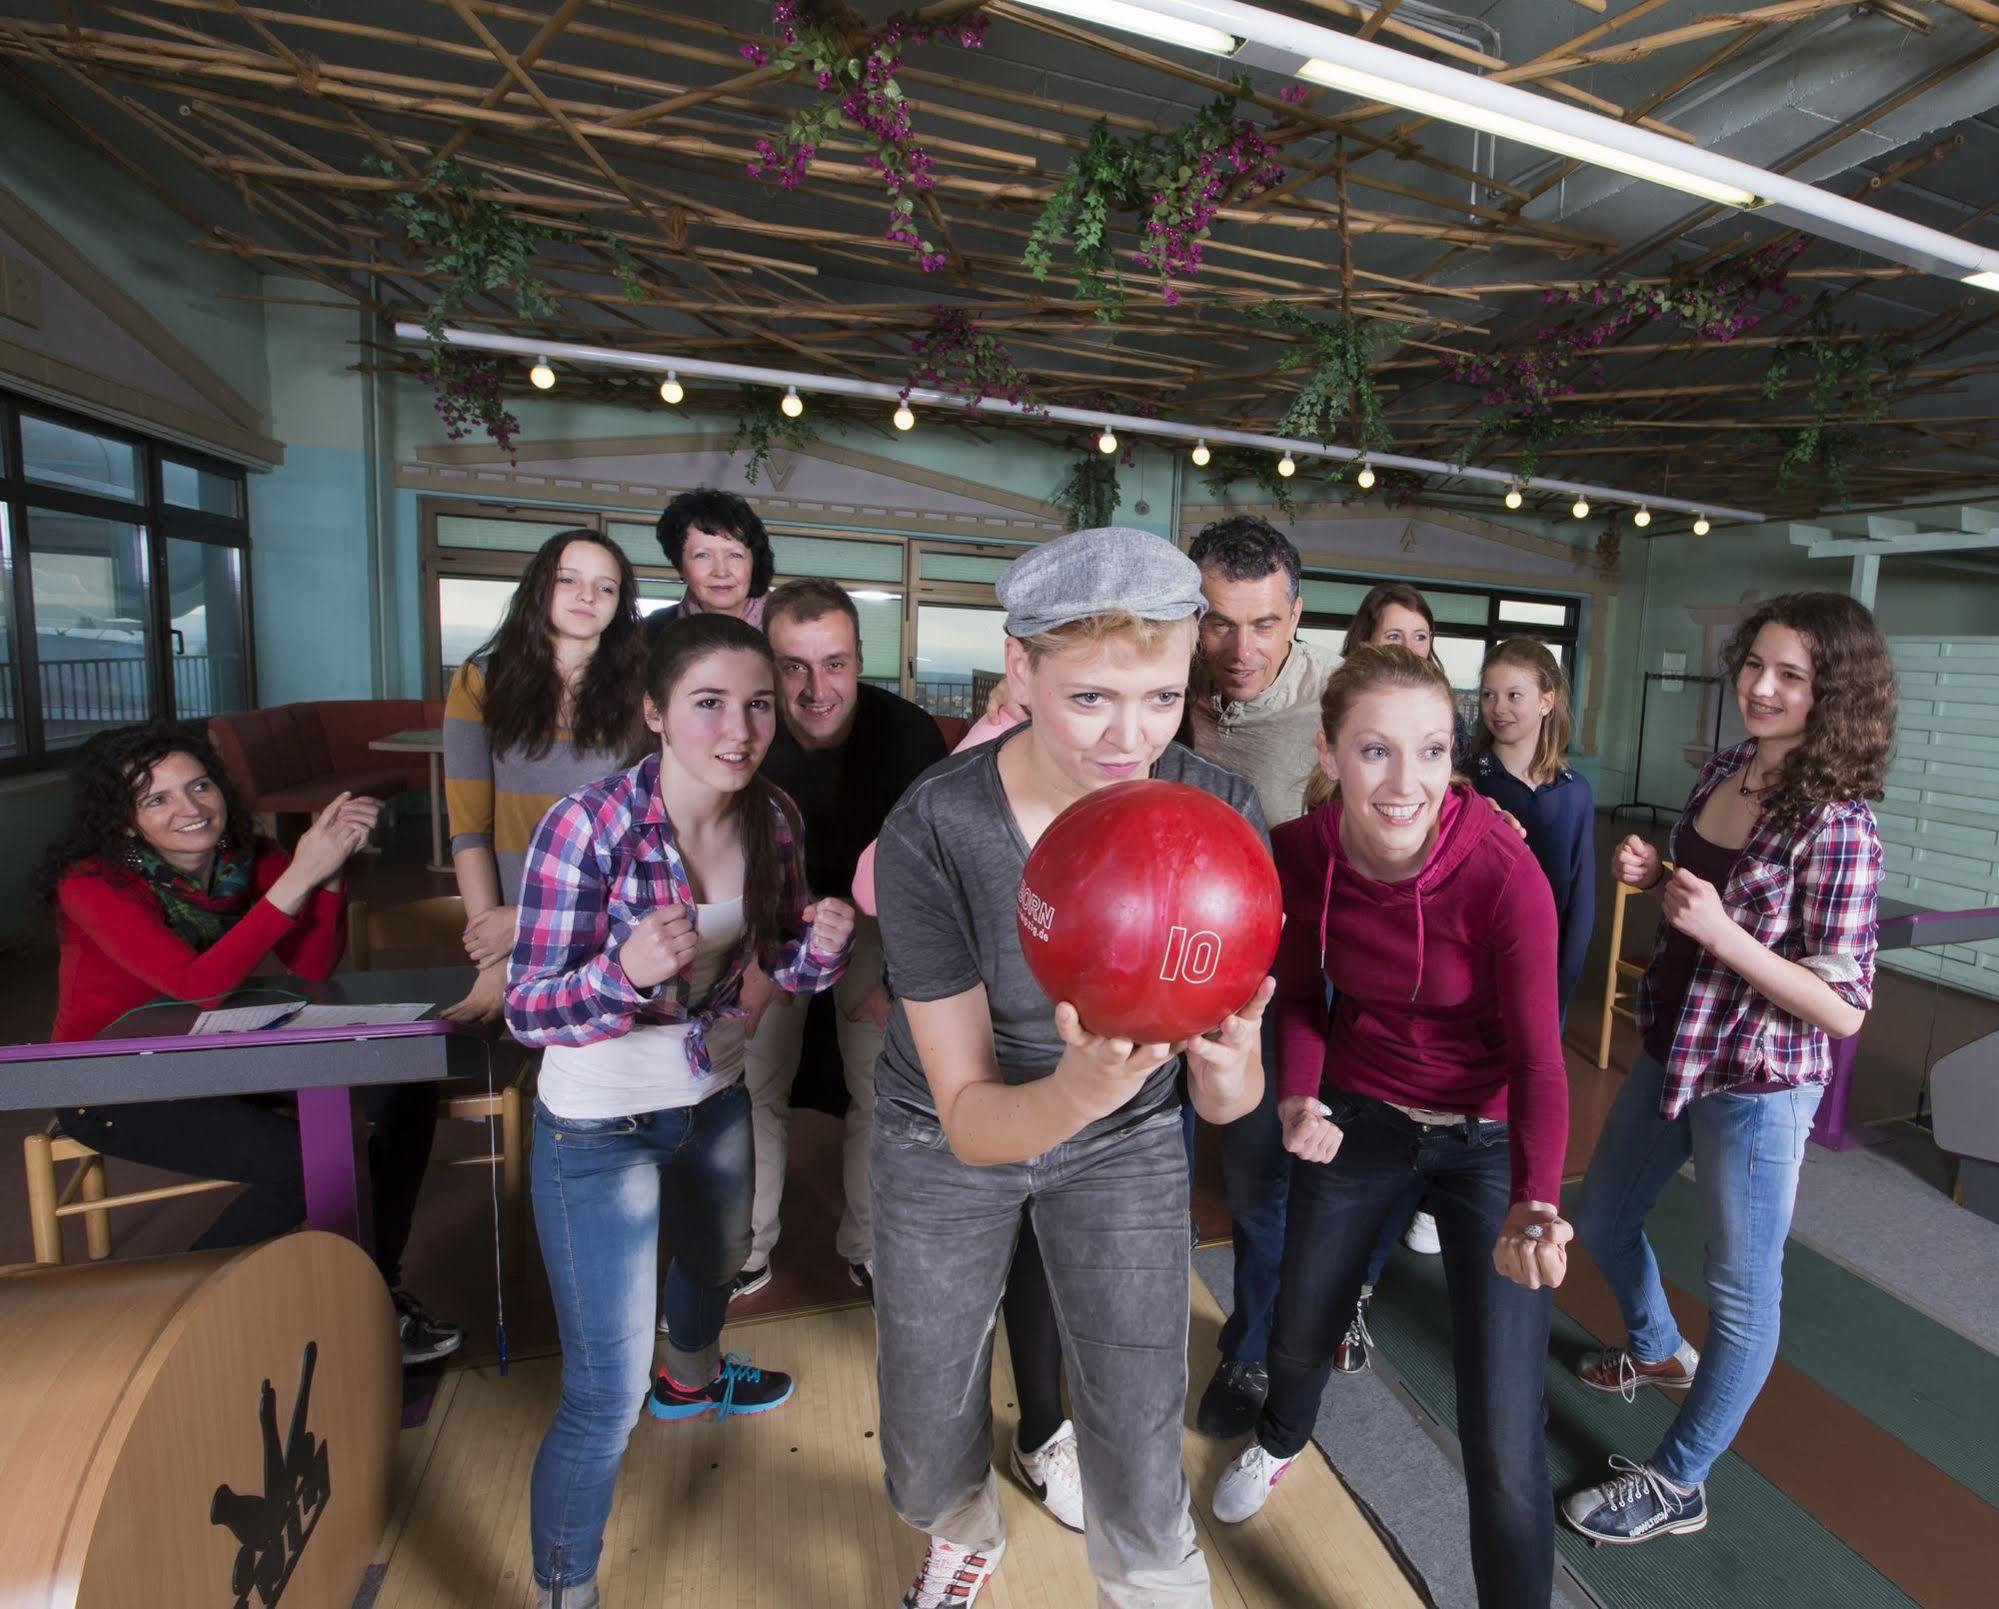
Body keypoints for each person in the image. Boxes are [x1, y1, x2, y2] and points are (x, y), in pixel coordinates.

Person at [872, 526, 1271, 1609]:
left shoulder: (1221, 821)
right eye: (1090, 697)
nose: (1126, 737)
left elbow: (1230, 1098)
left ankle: (1150, 1577)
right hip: (947, 1125)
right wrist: (1073, 1087)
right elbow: (965, 1115)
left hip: (1124, 1132)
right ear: (1020, 669)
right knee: (921, 1398)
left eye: (1158, 697)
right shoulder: (935, 828)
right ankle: (958, 1527)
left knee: (1140, 1392)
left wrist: (1228, 1066)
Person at [506, 613, 856, 1609]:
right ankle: (564, 1591)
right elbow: (530, 1008)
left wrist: (822, 941)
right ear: (656, 711)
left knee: (711, 1266)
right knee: (601, 1395)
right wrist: (620, 973)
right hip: (595, 1130)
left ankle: (693, 1382)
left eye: (757, 702)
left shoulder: (773, 818)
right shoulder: (588, 826)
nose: (739, 727)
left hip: (712, 1099)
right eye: (708, 702)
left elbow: (781, 962)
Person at [1211, 645, 1572, 1609]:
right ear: (1329, 752)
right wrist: (1299, 1095)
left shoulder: (1503, 873)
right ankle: (1281, 1441)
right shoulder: (1298, 852)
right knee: (1295, 1331)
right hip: (1362, 1112)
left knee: (1501, 1427)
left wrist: (1537, 1196)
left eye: (1428, 750)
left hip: (1486, 1137)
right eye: (1374, 751)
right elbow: (1295, 995)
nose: (1404, 781)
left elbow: (1541, 1057)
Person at [1563, 592, 1892, 1548]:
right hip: (1676, 1046)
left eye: (1790, 674)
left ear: (1833, 693)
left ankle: (1680, 1480)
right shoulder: (1728, 766)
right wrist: (1655, 874)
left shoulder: (1838, 824)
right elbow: (1702, 887)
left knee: (1743, 1298)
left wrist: (1718, 930)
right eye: (1754, 664)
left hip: (1757, 1081)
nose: (1759, 685)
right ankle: (1659, 1347)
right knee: (1603, 1216)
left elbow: (1842, 1005)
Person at [42, 721, 461, 1365]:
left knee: (401, 1085)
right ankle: (176, 1308)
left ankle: (375, 1293)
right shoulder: (93, 885)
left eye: (199, 785)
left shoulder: (247, 859)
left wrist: (328, 872)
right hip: (110, 1079)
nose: (190, 808)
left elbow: (315, 964)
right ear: (124, 822)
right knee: (310, 1161)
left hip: (219, 1056)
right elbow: (197, 984)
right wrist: (299, 876)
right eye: (157, 799)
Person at [739, 580, 947, 1299]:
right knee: (752, 1084)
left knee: (879, 1091)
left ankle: (866, 1241)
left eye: (833, 663)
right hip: (767, 921)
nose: (814, 687)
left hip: (876, 928)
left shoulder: (909, 735)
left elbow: (936, 873)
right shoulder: (744, 733)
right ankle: (746, 1248)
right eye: (792, 665)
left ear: (860, 659)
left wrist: (902, 983)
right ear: (767, 665)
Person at [1178, 515, 1338, 1439]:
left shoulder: (1332, 708)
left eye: (1264, 623)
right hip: (1149, 977)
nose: (1241, 648)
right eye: (1217, 622)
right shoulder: (1164, 688)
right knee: (1136, 1169)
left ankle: (1249, 1349)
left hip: (1264, 994)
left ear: (1296, 616)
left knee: (1258, 1189)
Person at [444, 528, 648, 1022]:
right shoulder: (481, 680)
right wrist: (494, 953)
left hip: (613, 929)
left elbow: (643, 834)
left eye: (606, 587)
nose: (587, 596)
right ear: (539, 587)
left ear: (619, 604)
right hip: (511, 931)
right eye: (568, 580)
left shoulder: (646, 689)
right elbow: (470, 829)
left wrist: (532, 923)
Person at [1469, 638, 1596, 1024]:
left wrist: (1560, 984)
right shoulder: (1465, 781)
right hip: (1474, 969)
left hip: (1546, 969)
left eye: (1513, 695)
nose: (1498, 708)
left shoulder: (1575, 791)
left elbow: (1581, 899)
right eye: (1489, 695)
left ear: (1546, 701)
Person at [644, 487, 777, 643]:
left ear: (754, 562)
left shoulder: (792, 626)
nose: (721, 572)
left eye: (735, 555)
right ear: (679, 566)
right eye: (702, 555)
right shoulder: (651, 632)